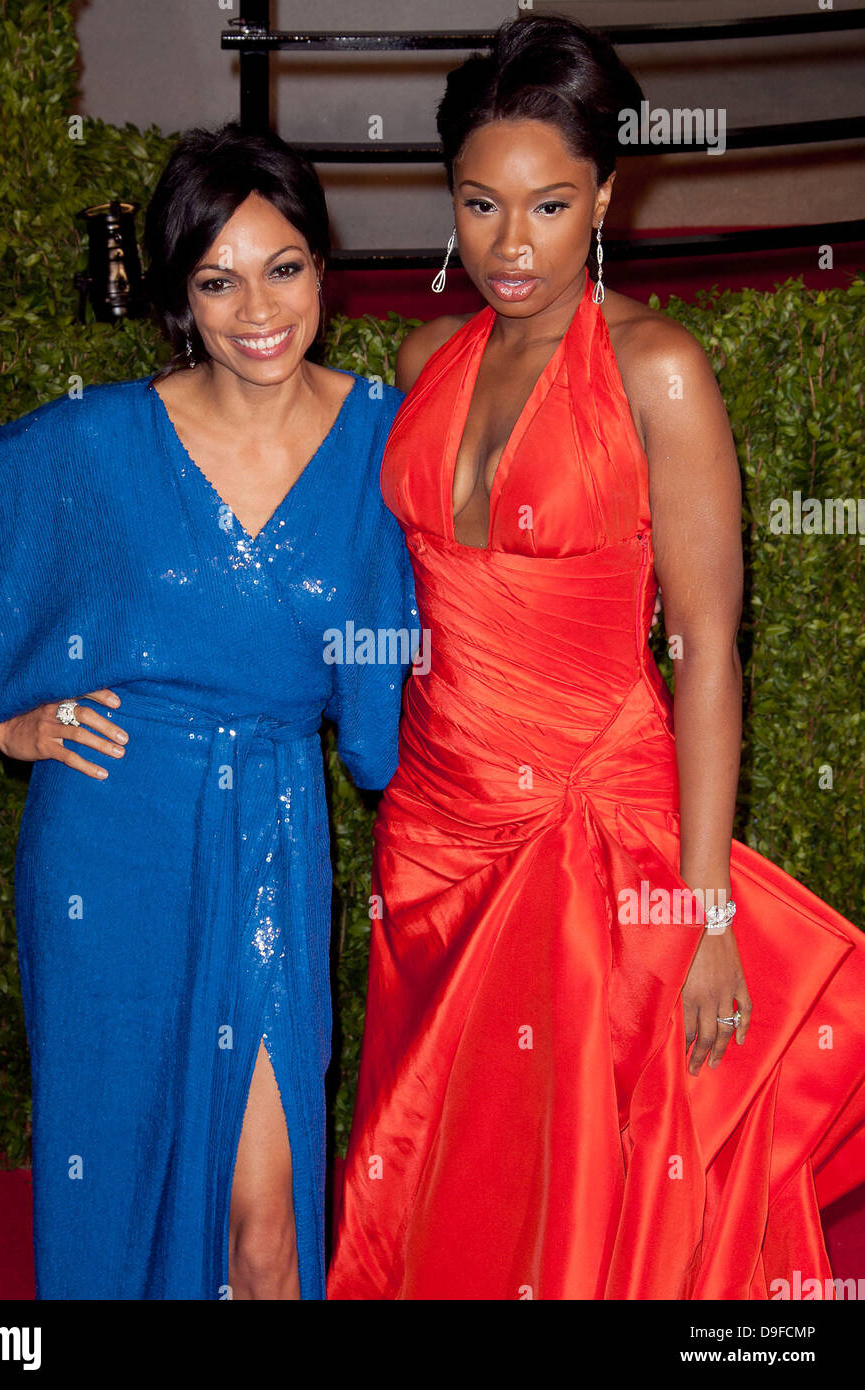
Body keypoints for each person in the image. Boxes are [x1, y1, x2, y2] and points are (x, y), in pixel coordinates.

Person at [327, 14, 865, 1300]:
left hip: (585, 843)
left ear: (609, 195)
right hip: (433, 836)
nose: (513, 246)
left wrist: (705, 911)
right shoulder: (423, 358)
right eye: (481, 203)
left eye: (552, 205)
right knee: (425, 1170)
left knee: (572, 1198)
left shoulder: (657, 372)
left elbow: (710, 651)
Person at [0, 123, 416, 1300]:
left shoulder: (386, 433)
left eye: (283, 268)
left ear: (323, 266)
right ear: (182, 293)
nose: (256, 309)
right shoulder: (106, 437)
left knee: (269, 1223)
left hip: (273, 827)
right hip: (109, 831)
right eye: (217, 280)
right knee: (113, 1178)